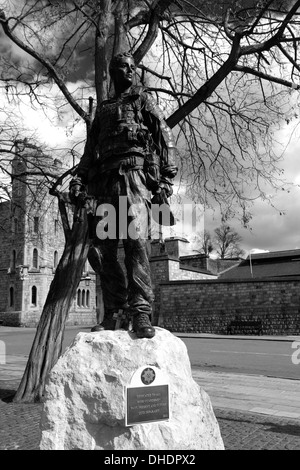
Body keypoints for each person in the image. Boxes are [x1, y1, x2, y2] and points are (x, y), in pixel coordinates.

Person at [69, 52, 177, 338]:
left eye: (133, 68)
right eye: (123, 68)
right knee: (102, 252)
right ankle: (116, 310)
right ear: (113, 72)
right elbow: (89, 154)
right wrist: (78, 181)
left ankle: (141, 311)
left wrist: (165, 182)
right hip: (105, 184)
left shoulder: (143, 101)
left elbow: (165, 141)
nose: (129, 72)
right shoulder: (103, 111)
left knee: (135, 246)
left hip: (134, 180)